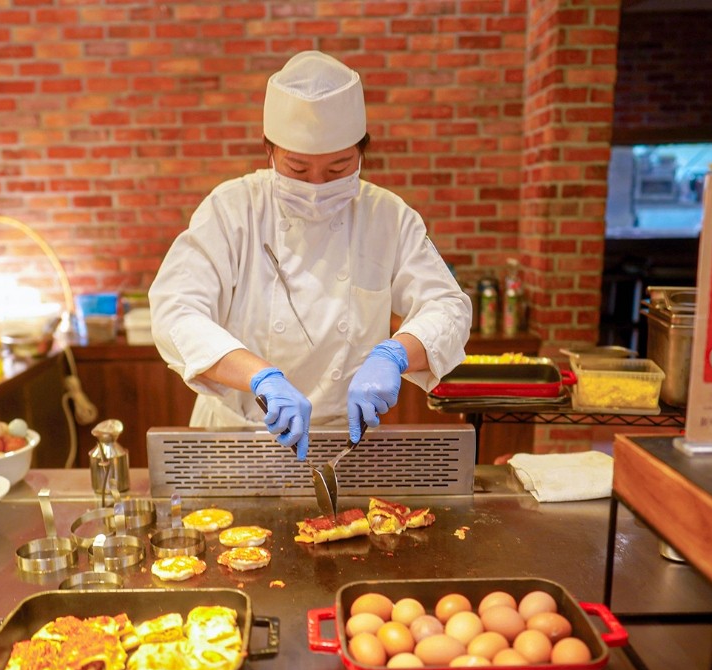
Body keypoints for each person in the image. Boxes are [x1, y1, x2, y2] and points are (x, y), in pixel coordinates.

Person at [149, 50, 472, 461]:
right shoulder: (232, 210)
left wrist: (394, 354)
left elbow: (448, 307)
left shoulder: (387, 216)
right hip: (234, 437)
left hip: (346, 442)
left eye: (338, 169)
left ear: (362, 153)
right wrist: (259, 376)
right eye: (298, 170)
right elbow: (175, 312)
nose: (317, 186)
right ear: (269, 151)